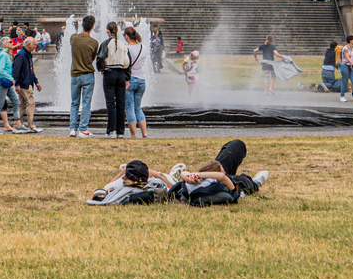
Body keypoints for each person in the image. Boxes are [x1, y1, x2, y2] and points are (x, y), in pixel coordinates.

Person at [87, 139, 268, 207]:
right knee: (240, 168)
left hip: (204, 176)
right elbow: (221, 177)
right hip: (221, 180)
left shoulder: (114, 188)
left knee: (235, 146)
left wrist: (192, 175)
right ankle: (256, 182)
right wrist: (158, 175)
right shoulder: (149, 187)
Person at [98, 19, 132, 138]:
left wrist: (102, 69)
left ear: (108, 31)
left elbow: (100, 57)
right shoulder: (123, 44)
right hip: (121, 73)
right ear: (117, 30)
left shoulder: (105, 43)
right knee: (121, 103)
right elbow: (128, 62)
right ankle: (120, 131)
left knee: (111, 102)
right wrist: (127, 77)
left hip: (110, 72)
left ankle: (111, 129)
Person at [69, 17, 98, 137]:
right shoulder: (94, 42)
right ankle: (83, 129)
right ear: (92, 27)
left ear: (82, 25)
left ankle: (72, 128)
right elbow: (92, 58)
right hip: (87, 74)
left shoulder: (73, 38)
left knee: (74, 103)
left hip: (75, 74)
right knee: (86, 103)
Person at [124, 24, 150, 138]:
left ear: (126, 36)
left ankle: (133, 135)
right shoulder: (143, 47)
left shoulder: (126, 48)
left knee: (129, 107)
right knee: (138, 107)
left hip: (130, 80)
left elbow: (125, 64)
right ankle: (144, 133)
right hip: (141, 80)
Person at [14, 30, 42, 133]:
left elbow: (31, 70)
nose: (35, 46)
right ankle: (31, 125)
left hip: (27, 83)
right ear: (28, 44)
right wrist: (16, 84)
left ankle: (18, 124)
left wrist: (36, 82)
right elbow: (16, 71)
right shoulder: (21, 55)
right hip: (23, 84)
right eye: (34, 44)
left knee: (22, 105)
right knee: (31, 103)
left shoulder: (28, 54)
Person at [0, 34, 19, 133]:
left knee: (16, 101)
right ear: (5, 44)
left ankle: (18, 125)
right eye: (11, 42)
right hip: (3, 81)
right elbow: (1, 70)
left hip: (6, 81)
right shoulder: (3, 55)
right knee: (0, 103)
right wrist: (12, 79)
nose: (12, 43)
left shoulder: (6, 54)